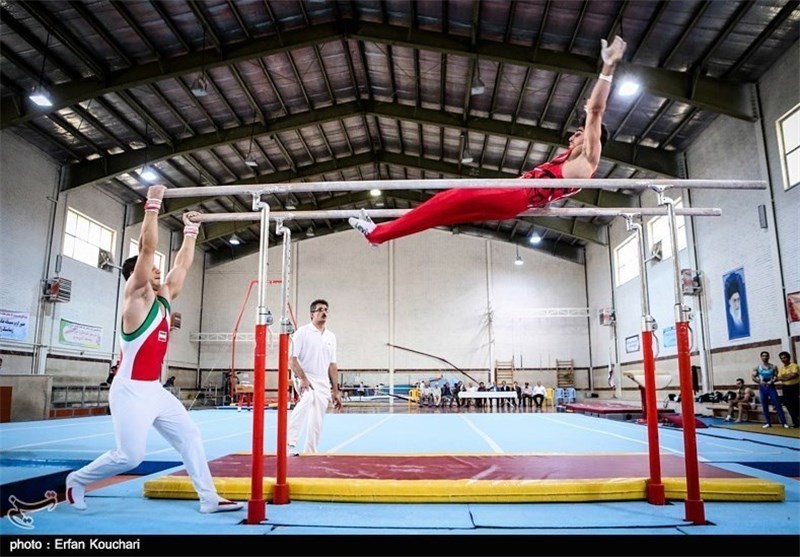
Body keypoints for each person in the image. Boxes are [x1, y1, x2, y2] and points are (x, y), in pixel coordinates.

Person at [66, 185, 243, 514]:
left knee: (190, 435)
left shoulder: (163, 299)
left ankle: (209, 499)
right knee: (130, 456)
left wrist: (192, 230)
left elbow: (183, 266)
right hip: (130, 390)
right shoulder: (134, 299)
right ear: (137, 274)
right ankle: (77, 480)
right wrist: (153, 205)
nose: (159, 269)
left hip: (154, 391)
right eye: (151, 267)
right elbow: (147, 247)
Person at [348, 36, 627, 245]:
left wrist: (607, 67)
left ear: (593, 135)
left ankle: (379, 234)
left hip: (515, 194)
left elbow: (595, 109)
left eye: (579, 132)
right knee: (443, 207)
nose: (572, 135)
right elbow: (548, 198)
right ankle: (380, 234)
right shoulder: (570, 166)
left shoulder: (589, 157)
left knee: (451, 198)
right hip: (514, 198)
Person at [287, 299, 343, 455]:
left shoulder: (331, 336)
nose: (324, 312)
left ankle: (311, 451)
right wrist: (303, 379)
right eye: (320, 309)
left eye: (326, 309)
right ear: (312, 314)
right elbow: (292, 359)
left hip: (322, 379)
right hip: (305, 375)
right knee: (308, 398)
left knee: (318, 417)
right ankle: (289, 444)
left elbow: (332, 365)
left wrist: (335, 390)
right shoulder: (302, 333)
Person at [751, 351, 789, 429]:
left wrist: (772, 380)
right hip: (762, 387)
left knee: (777, 404)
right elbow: (753, 377)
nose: (765, 357)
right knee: (764, 405)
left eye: (766, 356)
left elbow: (776, 376)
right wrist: (759, 381)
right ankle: (768, 423)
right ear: (761, 357)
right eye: (763, 356)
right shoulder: (757, 367)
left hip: (771, 387)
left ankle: (784, 423)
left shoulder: (773, 367)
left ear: (769, 357)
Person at [776, 351, 799, 428]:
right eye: (781, 358)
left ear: (788, 358)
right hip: (785, 388)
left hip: (795, 387)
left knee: (796, 403)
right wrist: (787, 376)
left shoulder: (794, 366)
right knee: (788, 404)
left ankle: (798, 418)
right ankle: (795, 422)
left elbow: (794, 375)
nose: (783, 359)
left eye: (784, 358)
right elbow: (779, 378)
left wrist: (783, 377)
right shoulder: (781, 368)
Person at [724, 272, 750, 339]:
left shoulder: (742, 316)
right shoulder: (731, 320)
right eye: (734, 300)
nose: (737, 304)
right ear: (729, 302)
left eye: (738, 300)